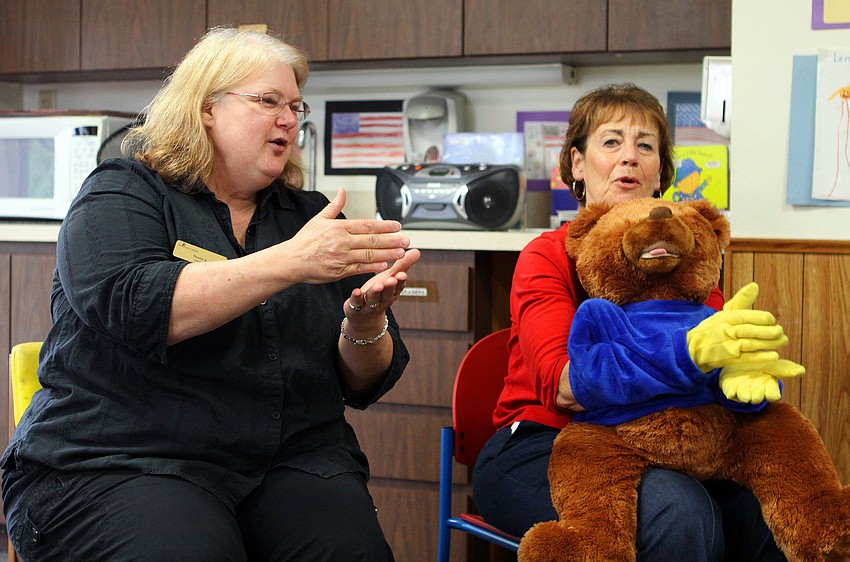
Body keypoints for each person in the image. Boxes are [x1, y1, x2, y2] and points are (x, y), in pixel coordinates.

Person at [1, 26, 420, 562]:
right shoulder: (122, 192)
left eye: (296, 106)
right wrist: (290, 260)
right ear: (205, 108)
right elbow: (135, 304)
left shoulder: (307, 216)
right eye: (268, 101)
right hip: (121, 458)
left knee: (349, 550)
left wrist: (365, 325)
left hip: (285, 461)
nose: (289, 120)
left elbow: (363, 382)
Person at [472, 83, 787, 561]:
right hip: (542, 444)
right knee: (678, 509)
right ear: (578, 164)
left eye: (645, 145)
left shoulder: (691, 259)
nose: (630, 157)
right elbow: (565, 388)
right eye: (611, 141)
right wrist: (685, 356)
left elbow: (719, 367)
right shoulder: (547, 255)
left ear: (660, 170)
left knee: (766, 509)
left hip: (666, 443)